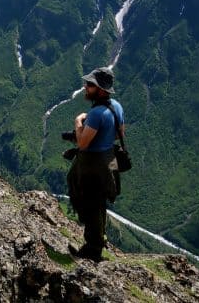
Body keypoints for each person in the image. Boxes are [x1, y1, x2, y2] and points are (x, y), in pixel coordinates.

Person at [66, 66, 125, 262]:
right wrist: (102, 136)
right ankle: (100, 238)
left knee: (89, 204)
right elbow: (119, 134)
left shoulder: (97, 113)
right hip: (108, 162)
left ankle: (92, 250)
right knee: (99, 203)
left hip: (92, 166)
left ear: (101, 90)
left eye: (90, 85)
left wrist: (78, 122)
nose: (85, 87)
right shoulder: (116, 107)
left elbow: (82, 143)